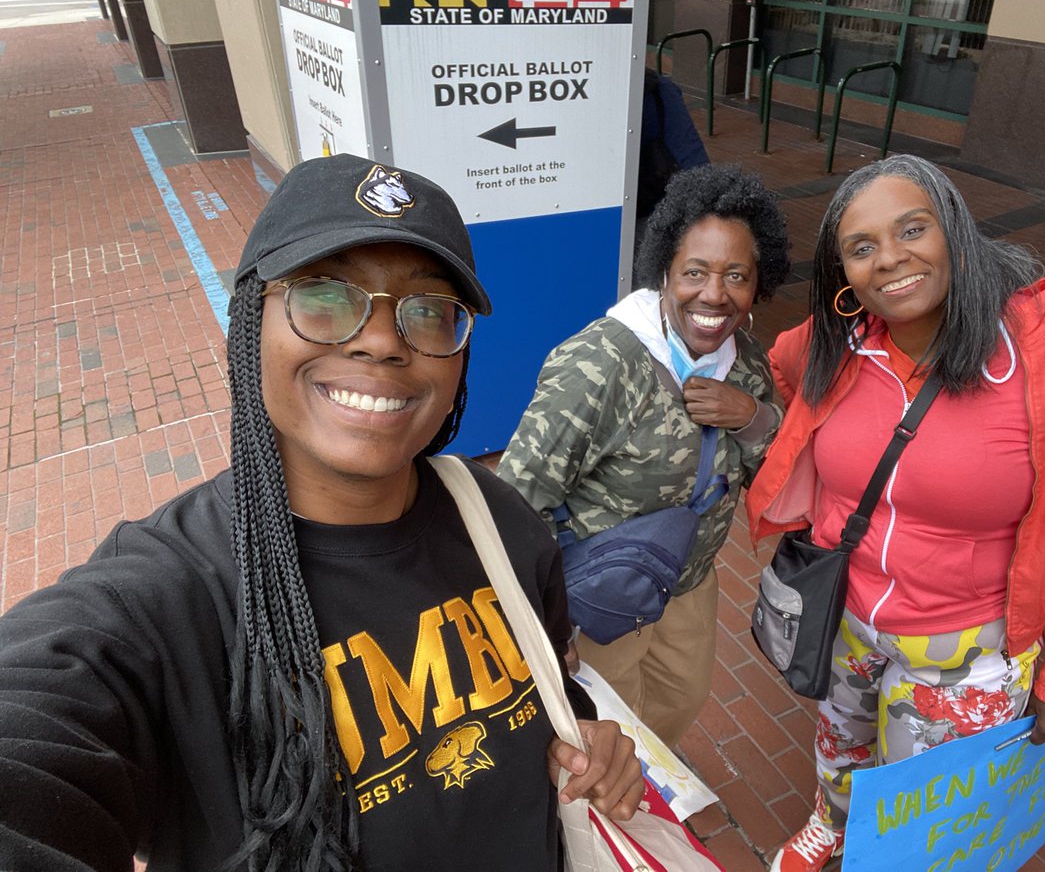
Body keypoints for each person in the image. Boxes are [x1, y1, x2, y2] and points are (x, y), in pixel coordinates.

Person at [0, 154, 643, 871]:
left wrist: (588, 739)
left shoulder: (499, 521)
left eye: (428, 312)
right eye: (325, 296)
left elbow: (549, 693)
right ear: (253, 319)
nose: (381, 340)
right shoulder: (163, 599)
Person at [746, 154, 1045, 871]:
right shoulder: (834, 341)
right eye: (862, 247)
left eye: (913, 228)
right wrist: (749, 410)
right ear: (842, 273)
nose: (891, 260)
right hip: (844, 617)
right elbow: (775, 373)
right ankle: (833, 820)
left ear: (956, 232)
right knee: (841, 737)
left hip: (965, 654)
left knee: (930, 816)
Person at [497, 163, 791, 747]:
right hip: (597, 591)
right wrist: (546, 622)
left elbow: (780, 476)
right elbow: (516, 501)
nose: (715, 294)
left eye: (737, 275)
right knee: (607, 728)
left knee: (682, 698)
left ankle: (652, 789)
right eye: (695, 272)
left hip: (688, 581)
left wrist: (751, 416)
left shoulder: (748, 364)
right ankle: (613, 819)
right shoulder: (601, 364)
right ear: (664, 273)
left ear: (759, 285)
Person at [635, 69, 710, 238]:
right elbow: (697, 165)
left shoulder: (659, 91)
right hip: (657, 211)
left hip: (639, 217)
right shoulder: (661, 90)